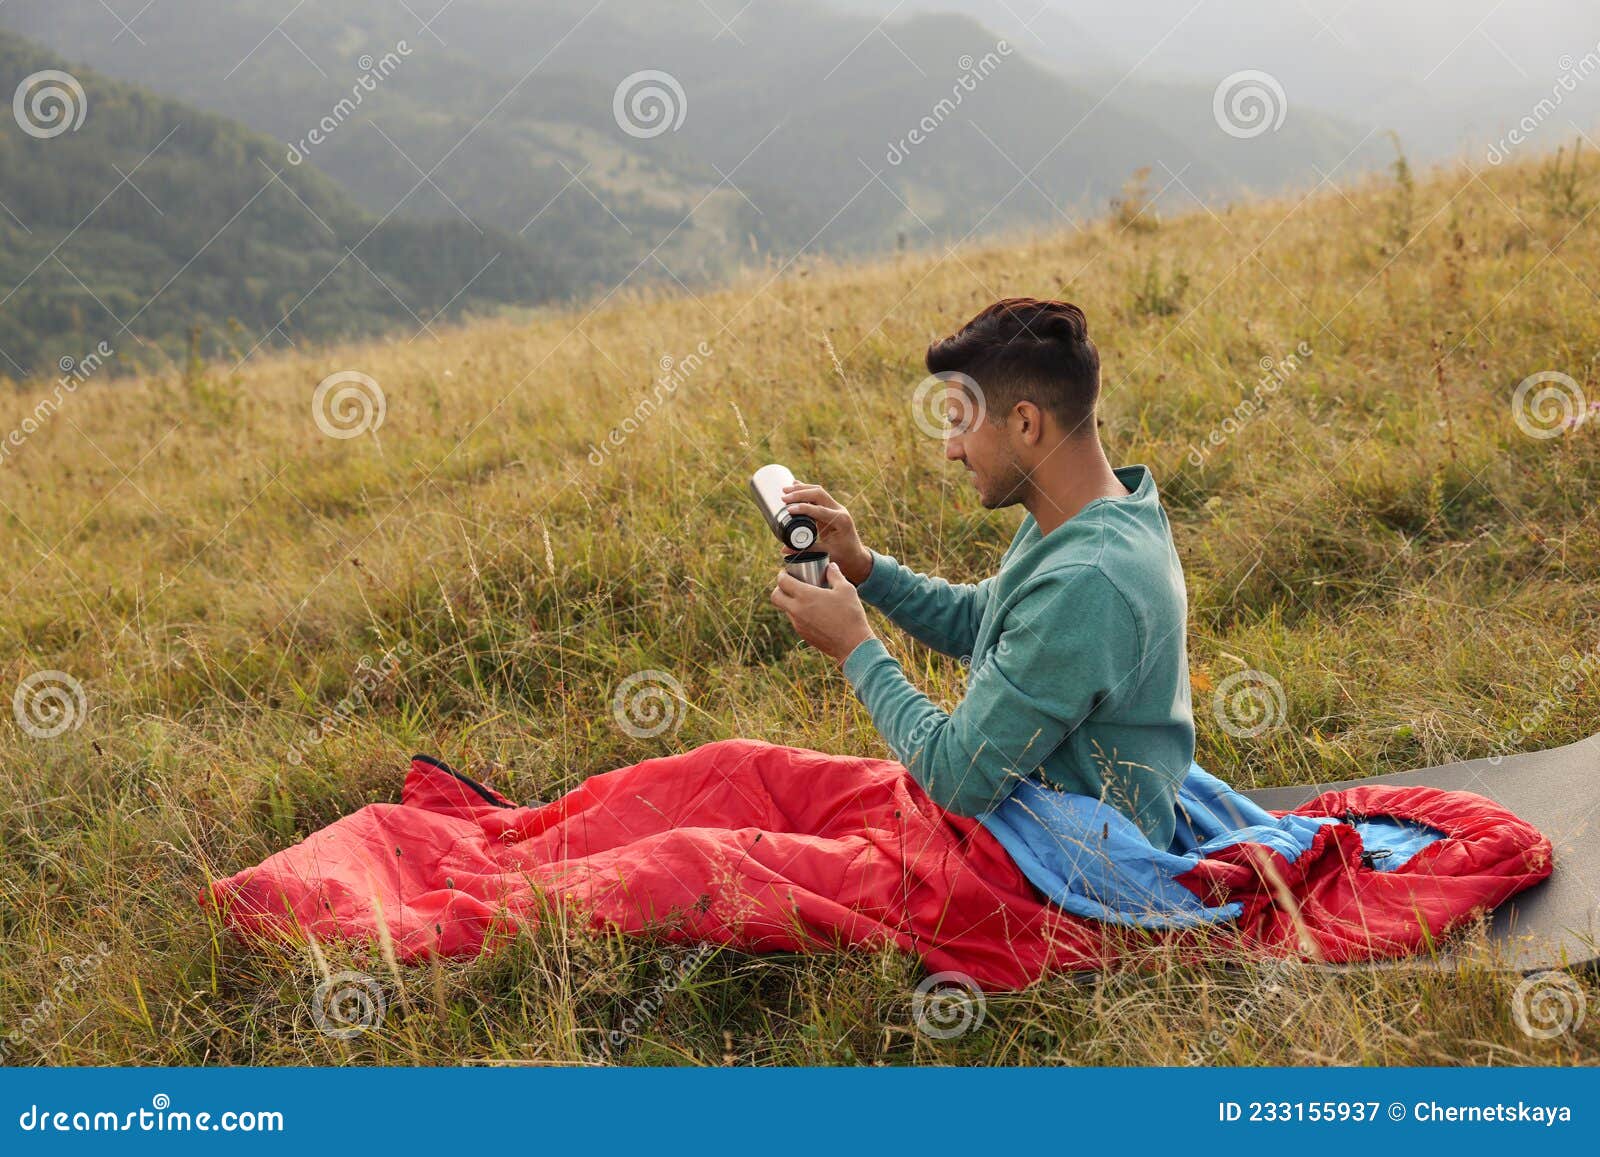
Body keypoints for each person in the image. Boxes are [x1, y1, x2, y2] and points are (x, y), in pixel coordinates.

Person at [770, 297, 1194, 849]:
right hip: (1040, 816)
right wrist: (863, 566)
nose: (951, 451)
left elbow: (958, 777)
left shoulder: (1088, 578)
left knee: (732, 848)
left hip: (1070, 864)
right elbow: (985, 618)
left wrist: (855, 648)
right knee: (753, 779)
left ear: (1024, 422)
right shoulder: (1090, 515)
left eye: (958, 425)